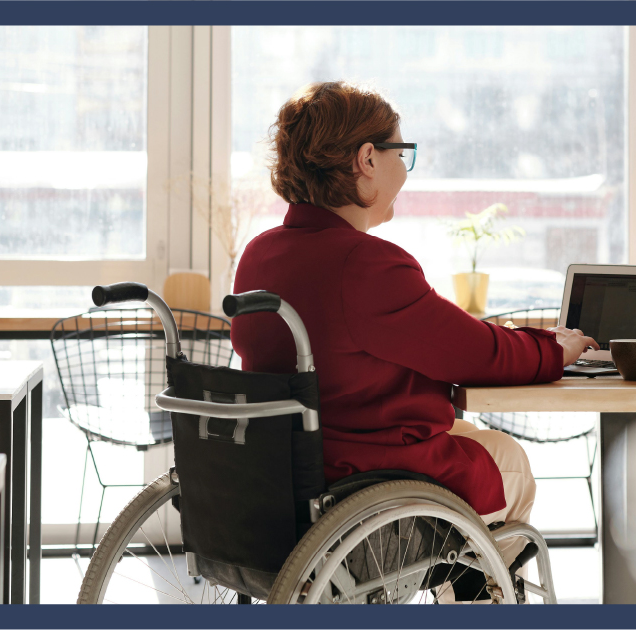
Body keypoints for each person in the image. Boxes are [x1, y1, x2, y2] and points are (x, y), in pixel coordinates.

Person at [230, 81, 598, 578]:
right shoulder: (364, 263)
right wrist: (553, 348)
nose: (405, 168)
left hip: (284, 473)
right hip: (362, 476)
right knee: (507, 457)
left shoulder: (260, 254)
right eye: (402, 152)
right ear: (367, 159)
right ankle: (480, 592)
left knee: (473, 437)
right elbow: (477, 354)